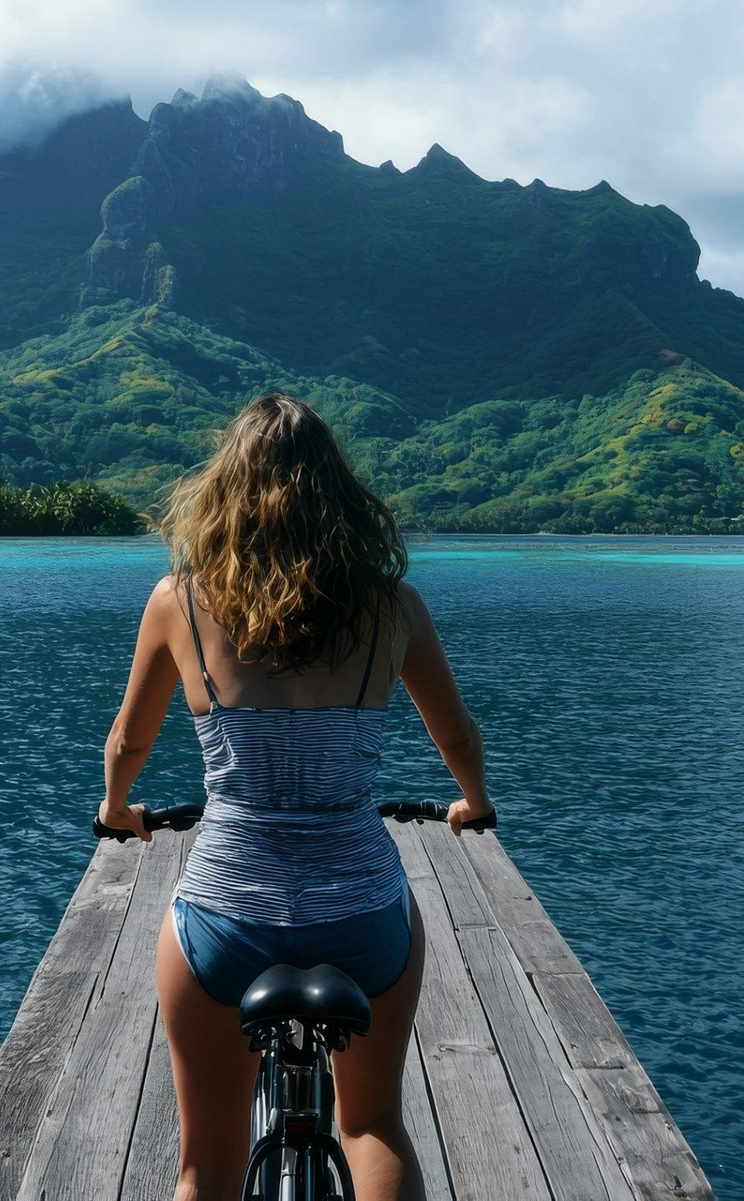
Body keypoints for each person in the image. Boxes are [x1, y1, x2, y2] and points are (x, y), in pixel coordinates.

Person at [98, 392, 494, 1201]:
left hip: (225, 915)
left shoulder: (180, 599)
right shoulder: (392, 607)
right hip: (360, 914)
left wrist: (116, 809)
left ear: (223, 491)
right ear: (340, 494)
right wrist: (472, 802)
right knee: (373, 1125)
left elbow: (128, 741)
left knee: (204, 1162)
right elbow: (456, 736)